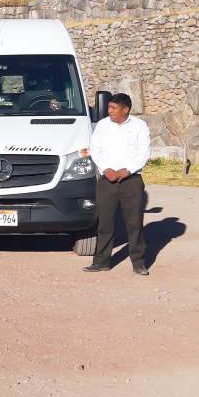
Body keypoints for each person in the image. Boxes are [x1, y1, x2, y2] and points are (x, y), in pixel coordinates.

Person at [84, 93, 152, 275]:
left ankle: (139, 263)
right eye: (109, 107)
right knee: (104, 223)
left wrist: (128, 170)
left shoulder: (139, 126)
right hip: (107, 181)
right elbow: (95, 149)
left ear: (125, 109)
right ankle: (101, 262)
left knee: (135, 224)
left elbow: (144, 153)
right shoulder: (103, 125)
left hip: (131, 181)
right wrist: (105, 169)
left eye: (114, 108)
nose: (110, 111)